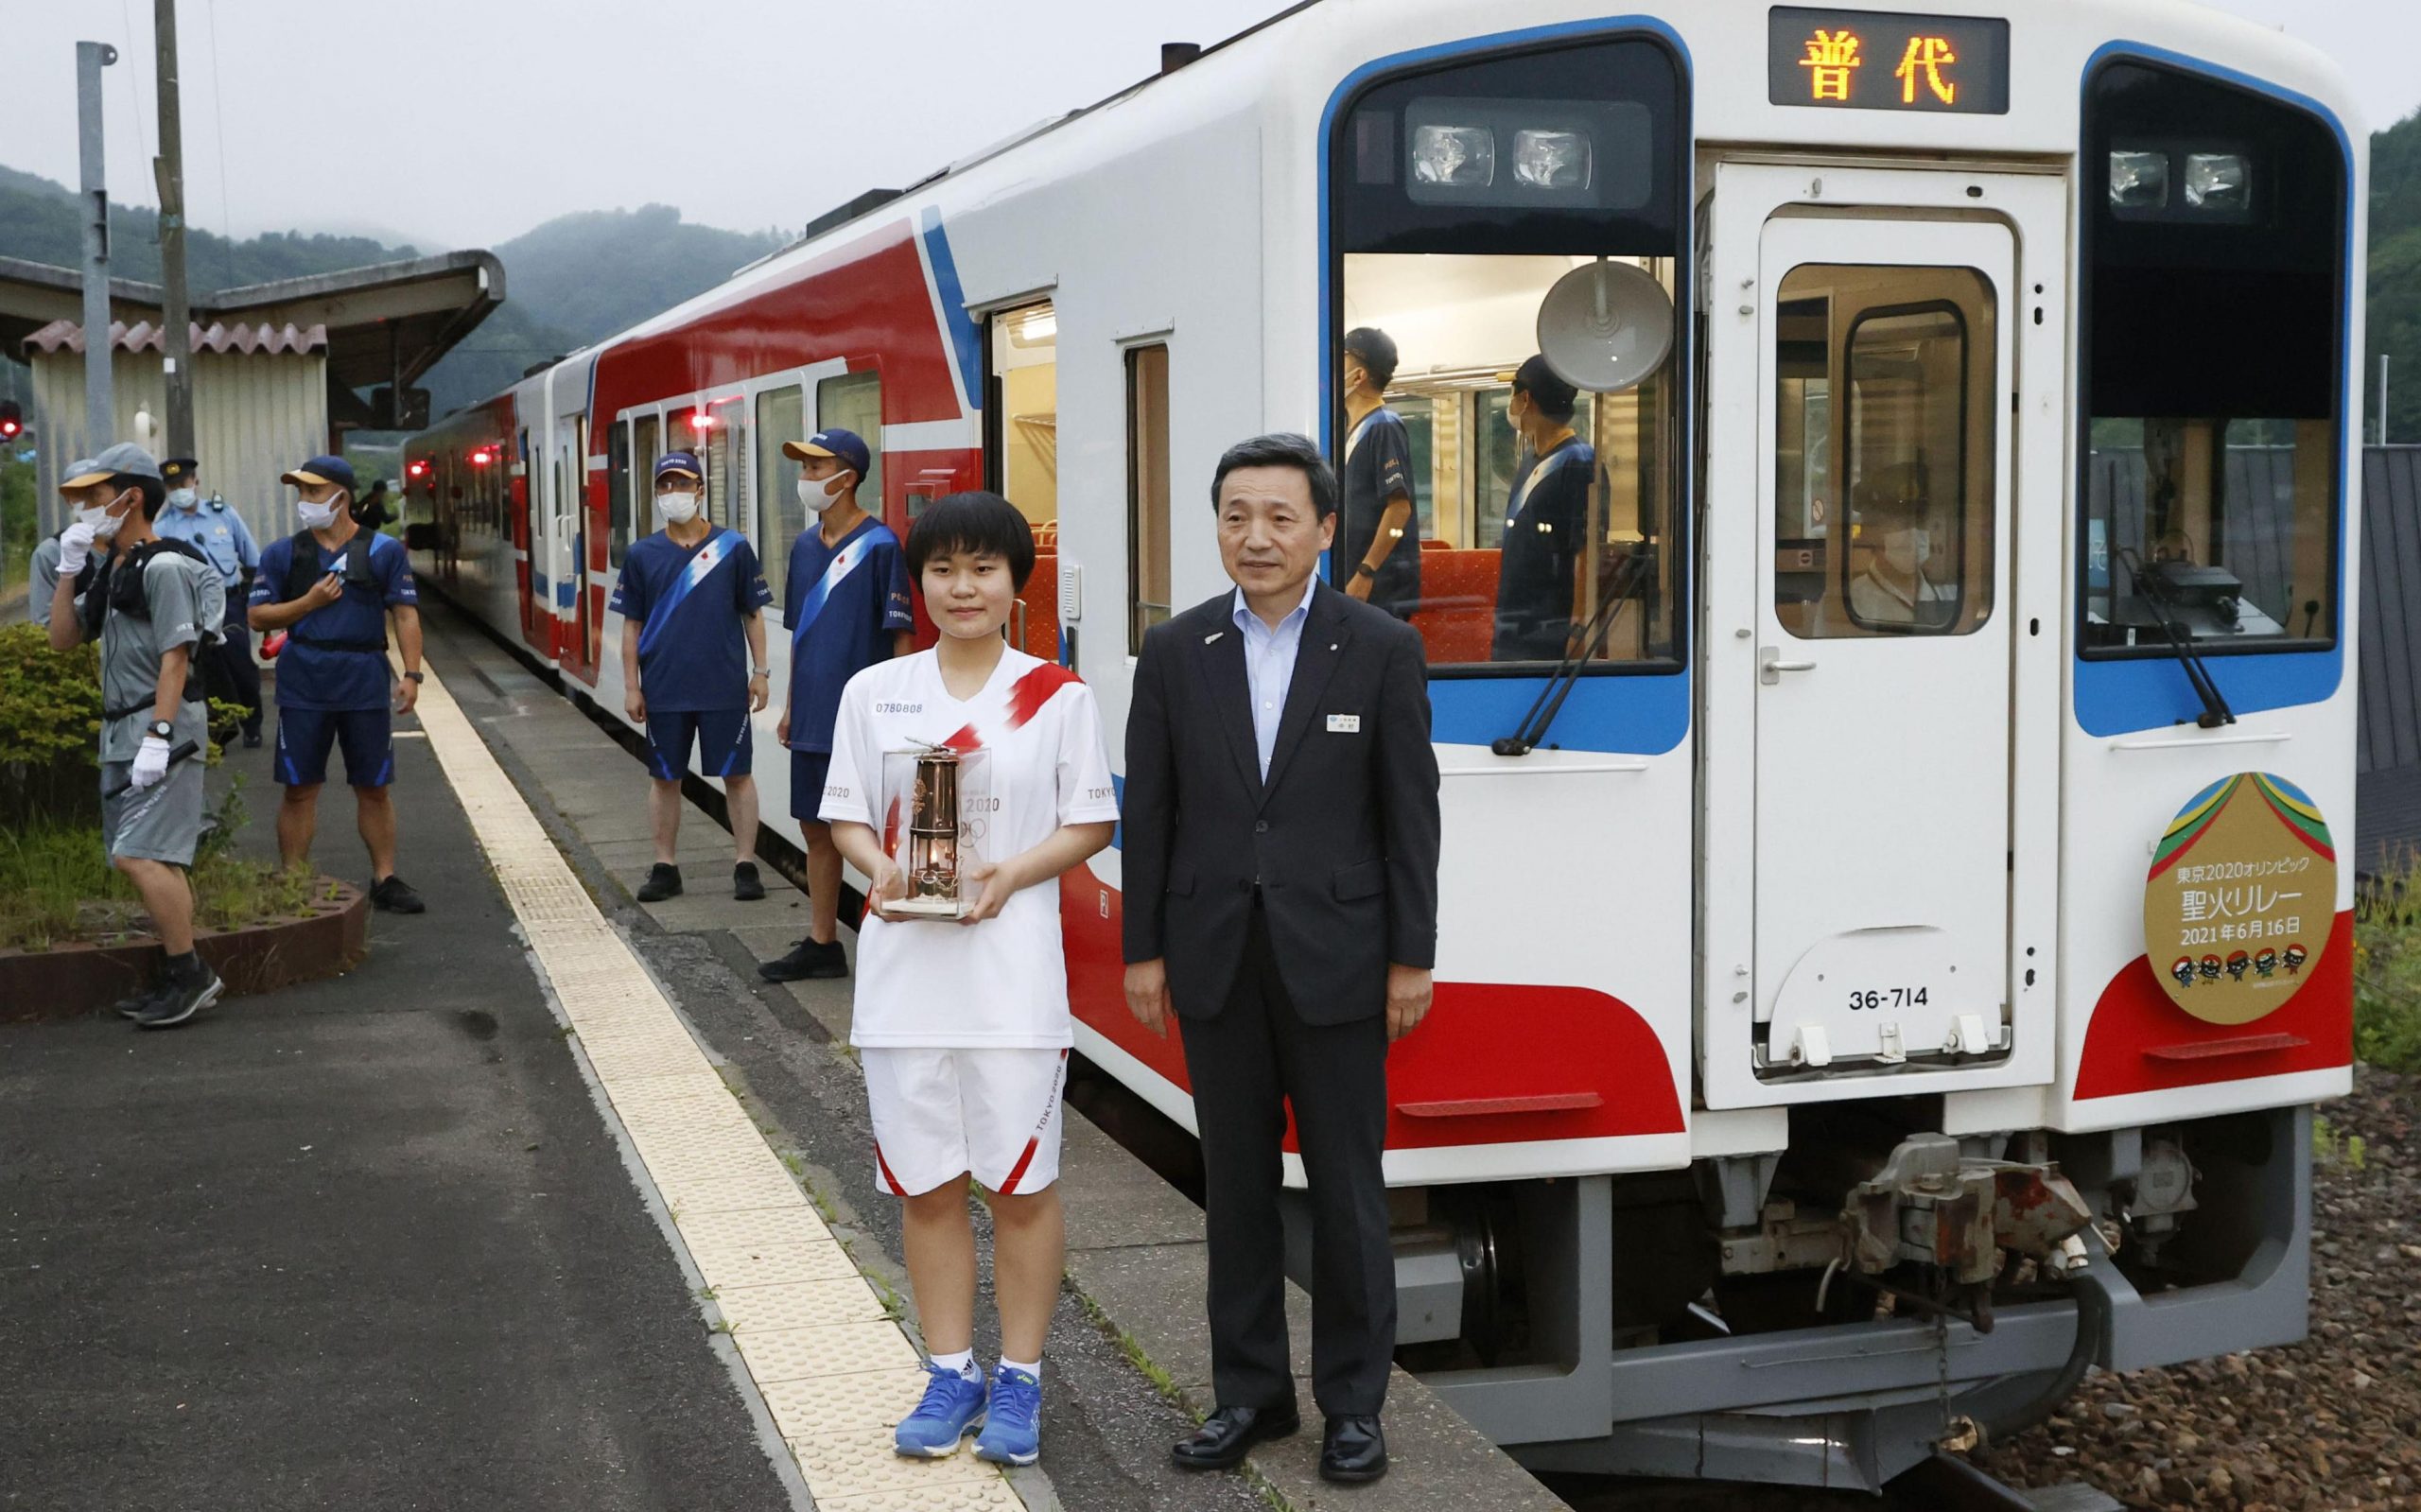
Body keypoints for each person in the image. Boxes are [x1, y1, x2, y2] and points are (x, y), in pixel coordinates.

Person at [1122, 432, 1440, 1486]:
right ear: (1216, 525)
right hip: (1213, 957)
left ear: (1324, 529)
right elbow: (1152, 812)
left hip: (1340, 958)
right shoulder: (1176, 651)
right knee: (1238, 1187)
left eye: (1278, 518)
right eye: (1235, 517)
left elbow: (1410, 816)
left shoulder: (1380, 645)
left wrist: (1410, 956)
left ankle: (1353, 1407)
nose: (1255, 538)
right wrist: (1144, 950)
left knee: (1349, 1189)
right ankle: (1250, 1395)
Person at [818, 491, 1119, 1468]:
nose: (962, 587)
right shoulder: (876, 690)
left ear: (1011, 582)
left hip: (1012, 982)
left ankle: (1022, 1377)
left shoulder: (1056, 695)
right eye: (942, 569)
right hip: (905, 979)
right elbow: (846, 817)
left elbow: (1089, 822)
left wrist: (1010, 875)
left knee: (1021, 1186)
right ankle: (950, 1371)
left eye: (982, 568)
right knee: (928, 1188)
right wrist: (884, 869)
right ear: (921, 582)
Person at [38, 443, 226, 1029]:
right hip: (122, 728)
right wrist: (70, 571)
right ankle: (179, 973)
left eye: (95, 497)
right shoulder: (117, 567)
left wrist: (159, 735)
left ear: (132, 497)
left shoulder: (165, 567)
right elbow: (63, 639)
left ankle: (191, 973)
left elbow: (177, 658)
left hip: (157, 726)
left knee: (136, 855)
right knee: (157, 857)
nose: (86, 510)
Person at [758, 427, 914, 982]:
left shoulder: (881, 545)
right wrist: (791, 706)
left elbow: (901, 638)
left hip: (866, 721)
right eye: (804, 468)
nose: (805, 479)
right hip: (813, 718)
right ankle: (824, 942)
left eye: (815, 468)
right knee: (815, 830)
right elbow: (799, 633)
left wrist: (900, 713)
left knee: (874, 835)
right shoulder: (803, 548)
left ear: (847, 478)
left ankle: (892, 943)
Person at [248, 454, 428, 913]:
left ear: (341, 497)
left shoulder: (383, 551)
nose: (304, 501)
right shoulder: (283, 553)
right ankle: (292, 877)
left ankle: (384, 878)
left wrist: (411, 673)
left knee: (373, 785)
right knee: (299, 786)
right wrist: (306, 603)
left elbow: (405, 613)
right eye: (301, 492)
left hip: (364, 676)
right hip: (304, 677)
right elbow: (257, 616)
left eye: (313, 491)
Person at [609, 449, 775, 902]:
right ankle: (665, 866)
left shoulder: (733, 547)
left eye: (681, 484)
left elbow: (753, 614)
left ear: (701, 490)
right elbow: (632, 626)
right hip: (664, 687)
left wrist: (760, 673)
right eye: (664, 485)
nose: (672, 493)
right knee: (664, 778)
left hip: (723, 686)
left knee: (737, 774)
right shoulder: (642, 554)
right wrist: (631, 685)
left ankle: (746, 864)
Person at [1492, 356, 1603, 662]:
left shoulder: (1578, 462)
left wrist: (1578, 628)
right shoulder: (1531, 458)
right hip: (1514, 624)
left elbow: (1586, 552)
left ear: (1525, 399)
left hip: (1549, 630)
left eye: (1513, 395)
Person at [153, 456, 266, 747]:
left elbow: (251, 559)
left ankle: (252, 723)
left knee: (239, 664)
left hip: (229, 605)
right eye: (172, 486)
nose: (179, 490)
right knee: (205, 672)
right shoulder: (163, 528)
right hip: (189, 608)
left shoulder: (224, 515)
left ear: (195, 482)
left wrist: (254, 601)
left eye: (183, 483)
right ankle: (218, 732)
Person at [1335, 327, 1421, 619]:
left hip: (1378, 589)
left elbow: (1399, 508)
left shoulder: (1383, 425)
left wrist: (1366, 571)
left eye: (1342, 357)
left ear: (1359, 375)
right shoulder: (1350, 430)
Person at [1844, 465, 1953, 631]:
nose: (1912, 533)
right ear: (1870, 531)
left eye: (1919, 522)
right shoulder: (1849, 601)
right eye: (1900, 524)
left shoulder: (1950, 596)